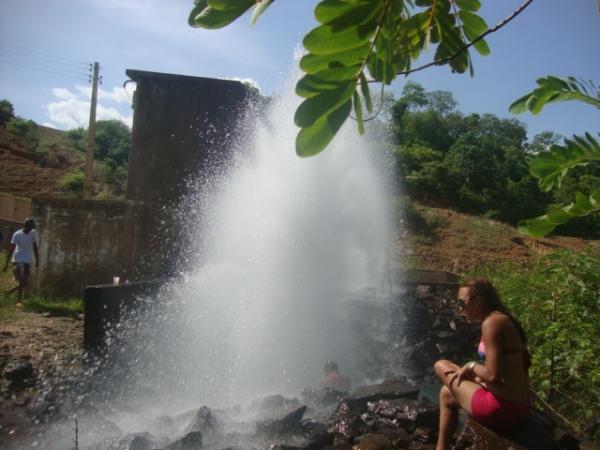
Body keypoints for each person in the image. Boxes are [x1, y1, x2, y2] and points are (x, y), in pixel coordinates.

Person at [434, 278, 531, 450]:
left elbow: (494, 375)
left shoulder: (492, 323)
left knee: (441, 365)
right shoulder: (502, 318)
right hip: (519, 406)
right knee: (446, 393)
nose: (460, 309)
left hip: (502, 410)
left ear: (478, 300)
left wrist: (471, 366)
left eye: (461, 303)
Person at [3, 218, 39, 302]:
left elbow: (35, 247)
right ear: (26, 226)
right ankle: (10, 294)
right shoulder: (17, 234)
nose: (31, 229)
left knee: (23, 283)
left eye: (32, 227)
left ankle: (17, 300)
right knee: (23, 282)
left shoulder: (33, 234)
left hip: (27, 261)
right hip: (17, 260)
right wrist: (6, 264)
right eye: (30, 227)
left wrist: (37, 260)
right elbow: (11, 249)